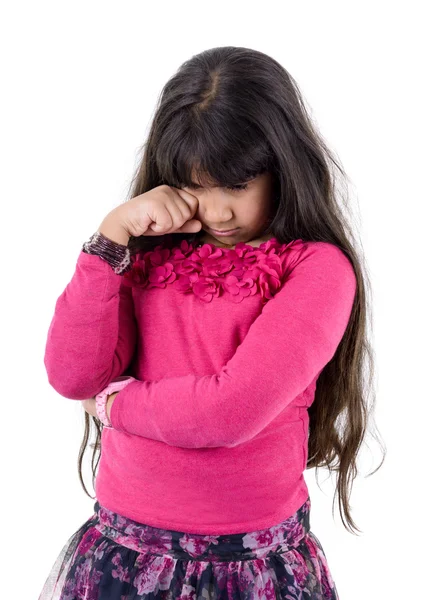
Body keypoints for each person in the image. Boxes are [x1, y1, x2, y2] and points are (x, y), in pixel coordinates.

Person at [39, 46, 384, 599]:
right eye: (196, 187)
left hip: (248, 562)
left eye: (237, 186)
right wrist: (110, 241)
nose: (217, 211)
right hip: (124, 553)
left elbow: (231, 411)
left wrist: (115, 404)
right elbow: (72, 376)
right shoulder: (146, 252)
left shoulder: (317, 269)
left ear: (282, 166)